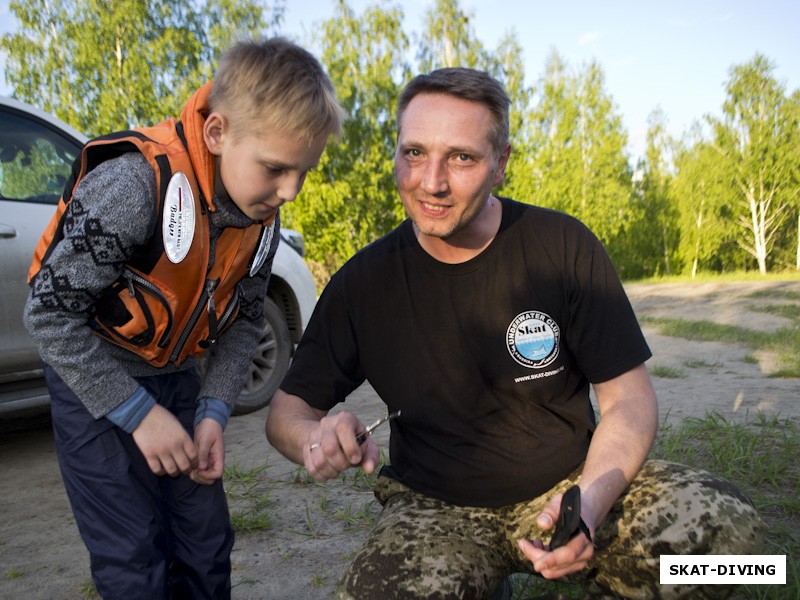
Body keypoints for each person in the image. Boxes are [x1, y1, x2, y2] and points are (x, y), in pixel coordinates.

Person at [265, 67, 764, 600]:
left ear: (501, 163)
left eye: (462, 157)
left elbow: (628, 400)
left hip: (569, 485)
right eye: (414, 153)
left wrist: (589, 504)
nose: (431, 181)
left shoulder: (562, 246)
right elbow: (284, 415)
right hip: (436, 512)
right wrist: (313, 439)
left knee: (740, 552)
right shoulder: (364, 282)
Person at [23, 37, 343, 599]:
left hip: (178, 381)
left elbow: (245, 323)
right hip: (95, 384)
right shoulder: (133, 186)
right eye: (275, 168)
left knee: (205, 542)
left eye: (303, 172)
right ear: (218, 134)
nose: (289, 191)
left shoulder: (260, 216)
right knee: (134, 555)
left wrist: (215, 411)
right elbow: (48, 314)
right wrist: (138, 415)